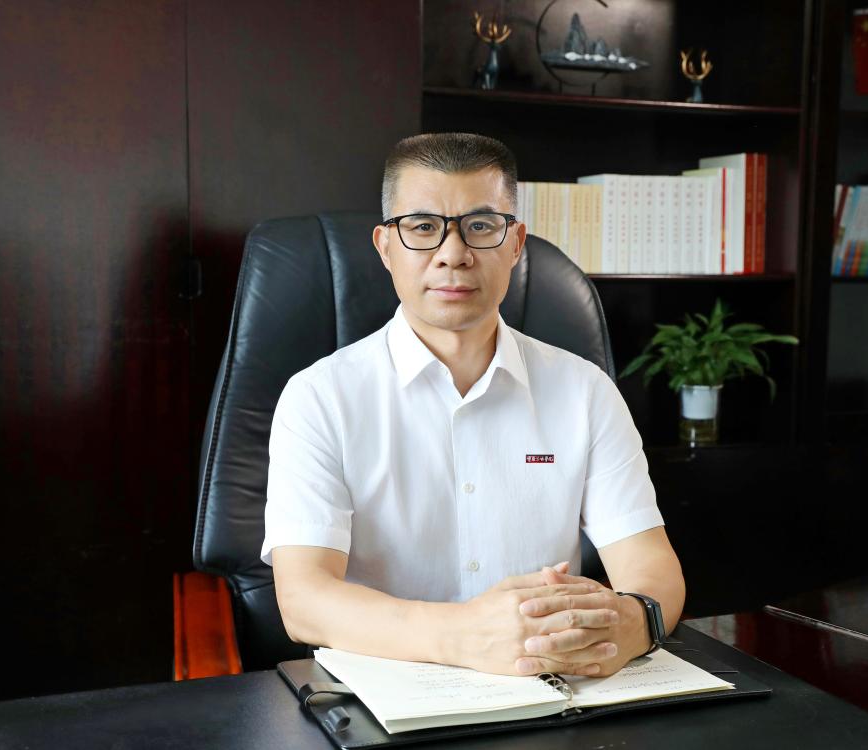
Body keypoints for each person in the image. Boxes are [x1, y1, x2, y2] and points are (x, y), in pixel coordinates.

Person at [263, 132, 684, 678]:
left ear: (516, 243)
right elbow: (304, 601)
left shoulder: (585, 390)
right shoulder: (319, 398)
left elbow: (651, 566)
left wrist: (631, 623)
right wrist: (465, 637)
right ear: (385, 247)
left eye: (481, 226)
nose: (453, 255)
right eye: (422, 228)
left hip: (555, 685)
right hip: (385, 695)